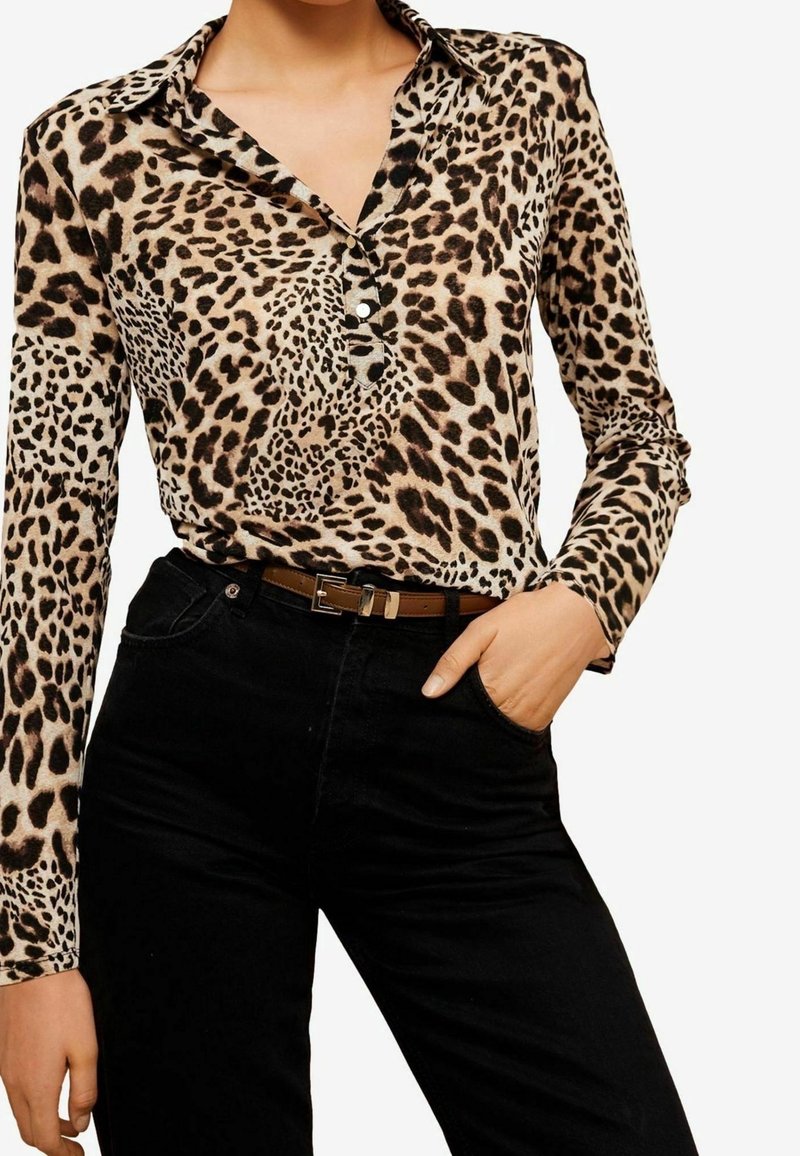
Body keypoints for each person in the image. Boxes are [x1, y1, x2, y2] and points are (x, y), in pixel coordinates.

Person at [0, 1, 698, 1153]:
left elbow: (636, 430)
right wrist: (30, 949)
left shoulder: (527, 93)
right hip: (194, 735)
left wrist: (583, 601)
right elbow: (50, 529)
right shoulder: (91, 144)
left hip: (457, 723)